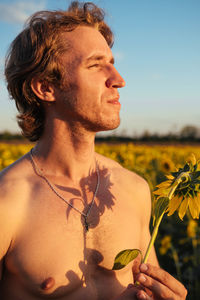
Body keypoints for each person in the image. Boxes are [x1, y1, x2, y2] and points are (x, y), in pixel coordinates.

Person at [1, 1, 187, 299]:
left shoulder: (134, 189)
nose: (119, 80)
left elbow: (148, 286)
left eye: (112, 62)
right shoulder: (7, 202)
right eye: (96, 65)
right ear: (46, 87)